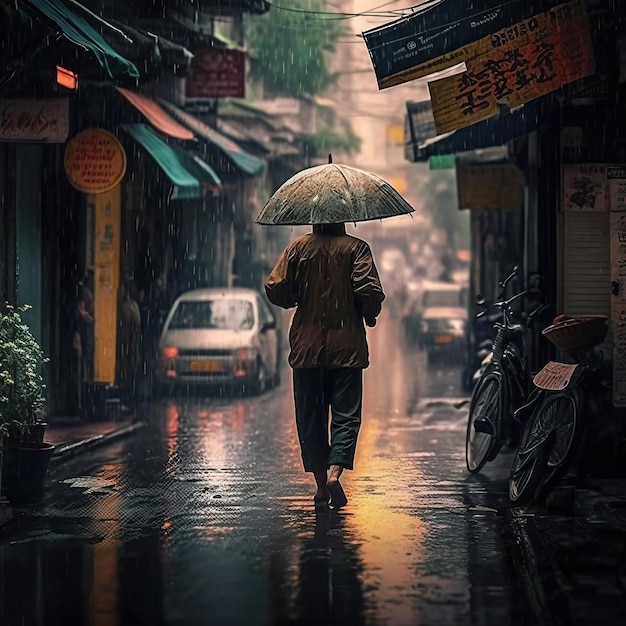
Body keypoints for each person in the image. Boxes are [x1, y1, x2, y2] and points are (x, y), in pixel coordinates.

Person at [265, 222, 385, 511]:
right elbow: (369, 290)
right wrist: (368, 315)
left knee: (311, 417)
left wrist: (298, 295)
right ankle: (335, 473)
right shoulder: (357, 249)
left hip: (307, 348)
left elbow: (275, 287)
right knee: (346, 415)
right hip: (347, 348)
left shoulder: (298, 249)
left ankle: (320, 488)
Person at [117, 277, 142, 412]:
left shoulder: (128, 308)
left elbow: (126, 334)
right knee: (130, 376)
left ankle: (128, 402)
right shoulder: (133, 306)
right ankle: (131, 402)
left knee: (127, 375)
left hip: (129, 348)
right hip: (132, 348)